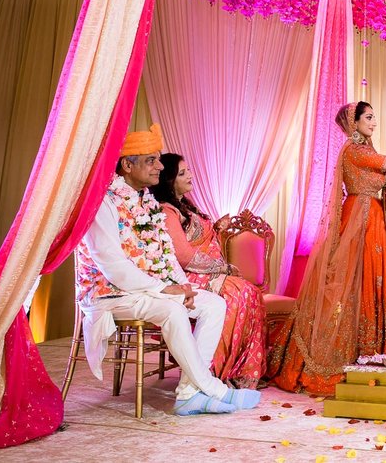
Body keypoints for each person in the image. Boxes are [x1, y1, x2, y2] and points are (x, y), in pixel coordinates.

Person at [76, 124, 260, 415]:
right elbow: (112, 265)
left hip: (149, 289)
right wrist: (165, 289)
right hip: (110, 293)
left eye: (158, 159)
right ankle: (212, 389)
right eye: (151, 160)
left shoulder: (147, 202)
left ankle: (189, 393)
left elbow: (165, 254)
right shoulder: (104, 202)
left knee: (213, 303)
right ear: (127, 165)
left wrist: (180, 285)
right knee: (173, 310)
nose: (160, 166)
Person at [265, 102, 386, 395]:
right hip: (360, 218)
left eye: (375, 117)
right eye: (369, 118)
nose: (374, 123)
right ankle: (352, 354)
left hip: (370, 216)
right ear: (355, 123)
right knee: (353, 284)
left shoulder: (365, 151)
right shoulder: (355, 151)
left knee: (370, 281)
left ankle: (373, 352)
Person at [151, 154, 267, 389]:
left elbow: (196, 239)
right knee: (239, 293)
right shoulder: (166, 211)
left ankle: (242, 369)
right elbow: (184, 255)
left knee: (250, 293)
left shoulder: (184, 206)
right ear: (169, 180)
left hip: (206, 273)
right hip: (189, 276)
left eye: (188, 170)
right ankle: (215, 371)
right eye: (182, 173)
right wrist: (223, 268)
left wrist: (215, 229)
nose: (190, 175)